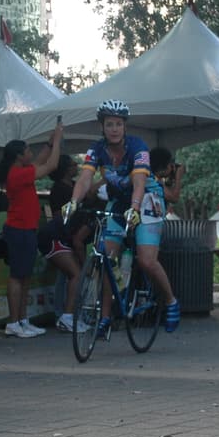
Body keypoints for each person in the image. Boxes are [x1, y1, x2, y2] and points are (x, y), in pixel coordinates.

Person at [62, 101, 180, 334]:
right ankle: (106, 316)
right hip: (119, 201)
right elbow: (85, 178)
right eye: (109, 124)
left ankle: (170, 301)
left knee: (146, 261)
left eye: (118, 124)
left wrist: (135, 208)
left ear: (125, 127)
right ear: (102, 127)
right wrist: (74, 202)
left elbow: (138, 182)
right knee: (106, 255)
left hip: (146, 200)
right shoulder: (96, 149)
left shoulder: (138, 146)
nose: (114, 129)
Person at [0, 125, 64, 337]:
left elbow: (39, 161)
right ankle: (13, 322)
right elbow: (51, 164)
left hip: (26, 229)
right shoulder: (17, 174)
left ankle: (23, 320)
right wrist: (59, 141)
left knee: (24, 276)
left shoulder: (20, 171)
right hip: (18, 230)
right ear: (18, 156)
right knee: (17, 276)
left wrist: (50, 143)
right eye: (27, 150)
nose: (30, 153)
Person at [44, 155, 93, 333]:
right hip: (60, 235)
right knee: (71, 275)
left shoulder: (74, 186)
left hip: (68, 236)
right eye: (73, 164)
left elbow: (88, 192)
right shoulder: (59, 189)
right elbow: (59, 214)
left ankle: (68, 314)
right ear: (65, 168)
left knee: (69, 276)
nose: (76, 167)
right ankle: (63, 314)